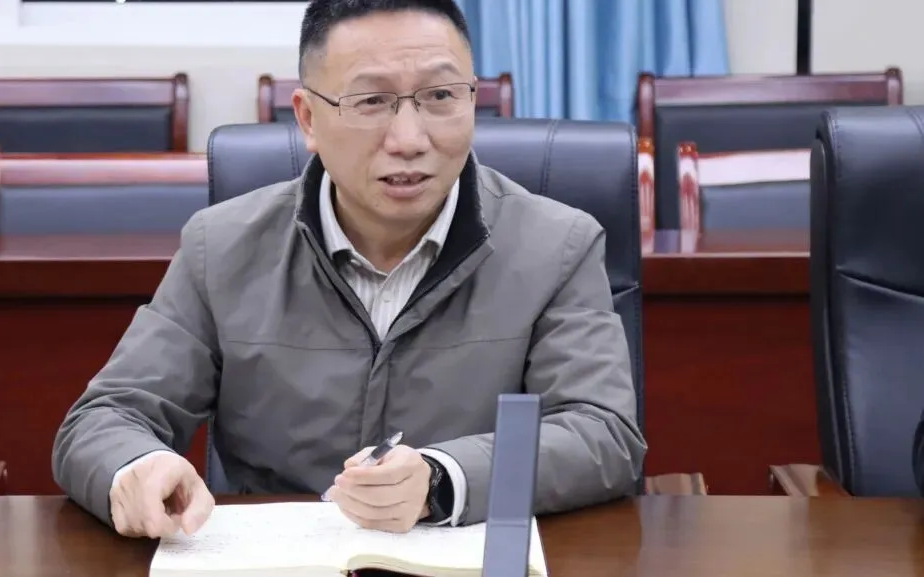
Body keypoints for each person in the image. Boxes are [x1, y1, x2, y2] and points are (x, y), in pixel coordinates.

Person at [52, 0, 647, 539]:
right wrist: (136, 466)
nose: (409, 139)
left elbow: (603, 434)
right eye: (371, 101)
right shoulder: (223, 246)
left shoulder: (556, 245)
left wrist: (443, 478)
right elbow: (106, 418)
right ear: (308, 119)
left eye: (441, 96)